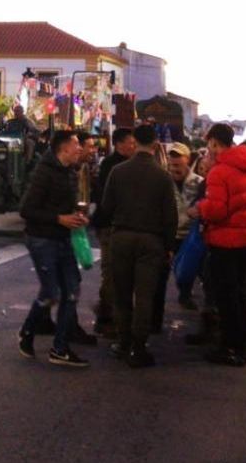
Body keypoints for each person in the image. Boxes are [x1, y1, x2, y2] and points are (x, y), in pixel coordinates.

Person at [196, 123, 246, 366]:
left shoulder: (219, 172)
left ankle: (231, 345)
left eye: (211, 146)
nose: (210, 151)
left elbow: (217, 210)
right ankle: (243, 341)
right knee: (240, 291)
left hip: (225, 240)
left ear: (216, 143)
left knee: (226, 295)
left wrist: (199, 208)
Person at [99, 125, 178, 368]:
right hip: (151, 240)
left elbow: (106, 207)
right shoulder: (163, 176)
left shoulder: (119, 171)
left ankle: (123, 342)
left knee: (122, 293)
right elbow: (170, 216)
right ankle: (139, 347)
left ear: (135, 142)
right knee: (144, 295)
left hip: (121, 237)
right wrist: (169, 245)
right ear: (155, 144)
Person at [17, 130, 91, 367]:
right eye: (76, 144)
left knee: (72, 290)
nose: (80, 148)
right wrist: (60, 218)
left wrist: (78, 218)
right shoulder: (44, 172)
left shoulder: (70, 171)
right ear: (63, 148)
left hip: (64, 238)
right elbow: (27, 209)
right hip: (42, 238)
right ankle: (28, 331)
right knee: (51, 293)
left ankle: (60, 348)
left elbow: (69, 205)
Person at [91, 127, 138, 337]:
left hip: (120, 225)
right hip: (110, 225)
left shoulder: (126, 165)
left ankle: (116, 315)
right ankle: (105, 316)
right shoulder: (112, 166)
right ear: (119, 144)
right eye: (130, 142)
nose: (133, 146)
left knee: (121, 272)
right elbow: (106, 199)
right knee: (110, 272)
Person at [166, 143, 204, 310]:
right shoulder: (164, 181)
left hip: (190, 235)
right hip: (169, 233)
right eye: (172, 163)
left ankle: (185, 295)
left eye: (178, 163)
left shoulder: (199, 182)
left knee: (189, 269)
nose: (175, 167)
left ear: (187, 160)